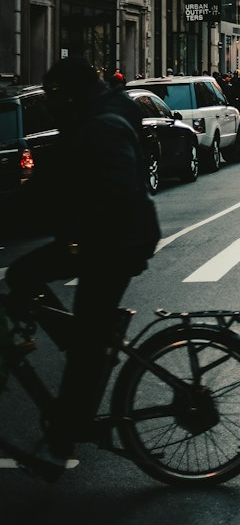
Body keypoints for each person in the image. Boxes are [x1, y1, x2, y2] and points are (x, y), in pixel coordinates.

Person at [5, 57, 160, 476]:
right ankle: (79, 336)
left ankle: (66, 433)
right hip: (103, 237)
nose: (50, 106)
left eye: (53, 96)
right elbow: (54, 180)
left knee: (86, 338)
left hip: (114, 242)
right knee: (24, 277)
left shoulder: (100, 125)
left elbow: (107, 188)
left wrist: (71, 225)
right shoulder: (93, 117)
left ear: (68, 95)